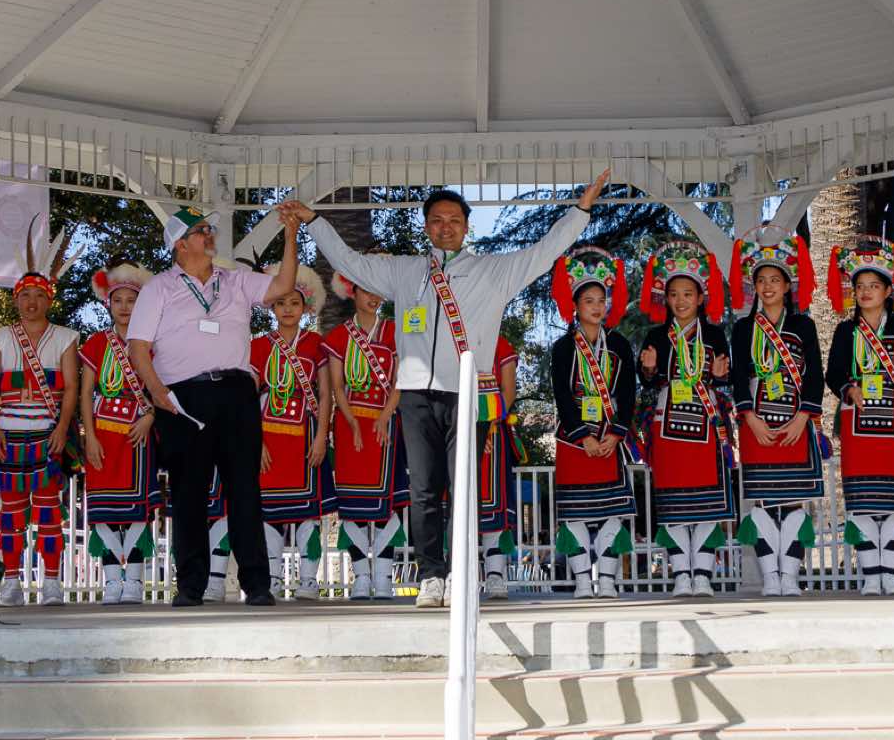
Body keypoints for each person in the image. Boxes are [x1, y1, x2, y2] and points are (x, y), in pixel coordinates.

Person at [288, 170, 609, 610]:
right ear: (426, 226)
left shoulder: (493, 271)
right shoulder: (406, 271)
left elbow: (544, 251)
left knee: (463, 491)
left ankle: (460, 574)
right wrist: (313, 221)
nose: (446, 227)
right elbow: (349, 261)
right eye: (437, 220)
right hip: (415, 395)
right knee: (423, 489)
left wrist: (581, 210)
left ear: (466, 226)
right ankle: (431, 576)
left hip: (467, 395)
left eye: (454, 220)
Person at [127, 203, 304, 608]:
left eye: (209, 230)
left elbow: (282, 285)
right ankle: (191, 586)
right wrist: (158, 393)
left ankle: (256, 585)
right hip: (182, 398)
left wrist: (291, 237)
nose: (209, 236)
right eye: (201, 231)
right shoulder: (159, 288)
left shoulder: (235, 280)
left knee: (245, 490)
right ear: (180, 243)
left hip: (236, 393)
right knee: (188, 493)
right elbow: (138, 347)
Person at [0, 219, 81, 606]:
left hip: (46, 433)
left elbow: (71, 387)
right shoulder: (0, 338)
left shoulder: (65, 338)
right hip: (9, 434)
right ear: (15, 299)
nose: (31, 302)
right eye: (25, 295)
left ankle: (52, 582)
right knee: (10, 513)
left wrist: (62, 427)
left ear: (49, 300)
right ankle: (10, 581)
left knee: (48, 510)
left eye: (39, 295)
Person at [727, 228, 826, 598]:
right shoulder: (743, 328)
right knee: (763, 502)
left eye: (775, 280)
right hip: (757, 422)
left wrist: (803, 417)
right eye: (761, 280)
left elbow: (814, 374)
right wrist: (749, 418)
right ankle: (770, 576)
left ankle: (791, 575)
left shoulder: (803, 326)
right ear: (754, 287)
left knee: (794, 501)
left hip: (794, 422)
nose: (767, 286)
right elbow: (739, 376)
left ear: (787, 286)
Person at [636, 240, 736, 599]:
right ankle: (681, 575)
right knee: (673, 502)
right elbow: (646, 380)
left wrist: (722, 375)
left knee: (707, 503)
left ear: (701, 298)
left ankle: (704, 576)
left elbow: (724, 379)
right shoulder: (655, 335)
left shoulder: (714, 334)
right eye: (674, 294)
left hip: (707, 422)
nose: (681, 301)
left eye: (688, 294)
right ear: (665, 298)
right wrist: (648, 370)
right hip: (667, 421)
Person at [825, 239, 894, 596]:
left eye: (874, 286)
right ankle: (870, 574)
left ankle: (890, 573)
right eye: (860, 286)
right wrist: (849, 389)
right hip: (858, 423)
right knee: (863, 501)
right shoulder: (845, 331)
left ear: (887, 291)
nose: (866, 292)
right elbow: (833, 373)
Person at [548, 247, 637, 599]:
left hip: (610, 437)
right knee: (575, 514)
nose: (597, 307)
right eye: (589, 301)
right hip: (575, 441)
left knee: (614, 513)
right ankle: (584, 581)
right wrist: (582, 435)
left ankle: (609, 581)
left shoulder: (619, 345)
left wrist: (616, 434)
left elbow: (628, 392)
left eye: (602, 300)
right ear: (575, 305)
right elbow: (561, 394)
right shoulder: (563, 347)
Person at [79, 264, 161, 605]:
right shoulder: (97, 343)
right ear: (108, 304)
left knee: (137, 510)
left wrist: (151, 416)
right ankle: (112, 580)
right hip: (103, 433)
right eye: (118, 300)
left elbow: (160, 388)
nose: (125, 307)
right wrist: (89, 436)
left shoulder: (152, 342)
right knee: (104, 510)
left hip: (137, 434)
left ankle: (135, 581)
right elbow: (86, 393)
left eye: (132, 300)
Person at [323, 275, 407, 599]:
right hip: (350, 425)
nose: (373, 297)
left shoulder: (394, 331)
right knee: (352, 504)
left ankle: (383, 577)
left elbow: (400, 380)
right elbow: (337, 386)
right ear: (352, 291)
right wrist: (351, 422)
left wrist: (385, 416)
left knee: (388, 504)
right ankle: (360, 576)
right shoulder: (338, 336)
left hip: (385, 422)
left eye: (377, 291)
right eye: (366, 290)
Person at [251, 267, 332, 600]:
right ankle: (270, 577)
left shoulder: (316, 344)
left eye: (294, 303)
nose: (287, 309)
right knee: (268, 511)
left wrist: (321, 436)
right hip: (268, 434)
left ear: (305, 307)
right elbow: (248, 398)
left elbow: (325, 394)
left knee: (309, 511)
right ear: (271, 306)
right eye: (281, 302)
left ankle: (309, 579)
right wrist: (255, 442)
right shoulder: (258, 346)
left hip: (305, 434)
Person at [474, 332, 521, 600]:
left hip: (493, 430)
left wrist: (485, 429)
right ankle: (461, 574)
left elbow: (508, 392)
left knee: (494, 507)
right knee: (459, 503)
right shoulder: (451, 340)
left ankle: (495, 574)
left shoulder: (501, 343)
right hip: (459, 430)